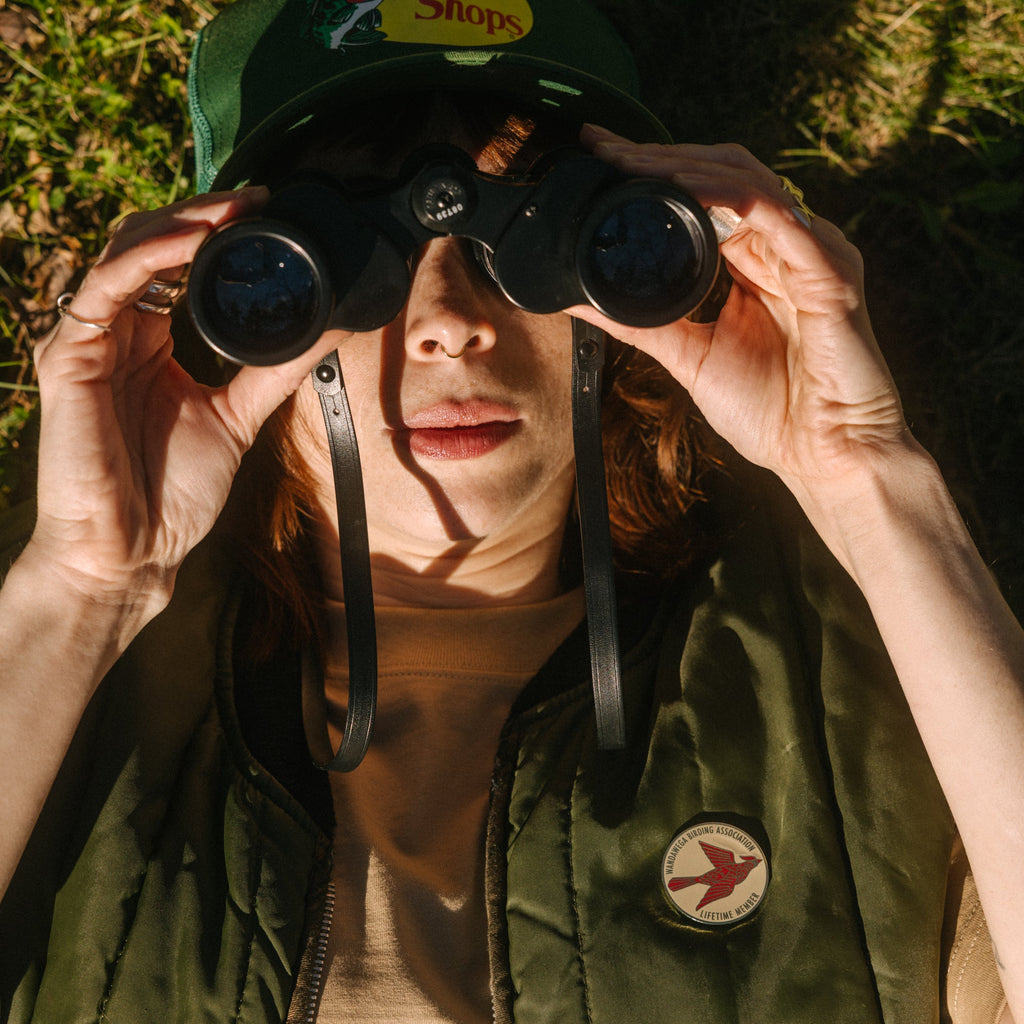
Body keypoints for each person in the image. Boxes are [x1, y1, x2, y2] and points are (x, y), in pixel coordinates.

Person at [1, 0, 1022, 1021]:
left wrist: (870, 484)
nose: (448, 322)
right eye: (345, 259)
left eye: (523, 239)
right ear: (223, 304)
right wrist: (85, 590)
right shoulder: (65, 713)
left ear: (623, 292)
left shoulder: (865, 693)